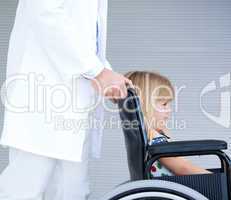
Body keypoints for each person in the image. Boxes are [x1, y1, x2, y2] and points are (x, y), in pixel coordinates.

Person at [0, 0, 132, 199]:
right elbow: (44, 12)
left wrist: (105, 73)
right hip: (43, 100)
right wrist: (97, 71)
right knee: (25, 189)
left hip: (76, 103)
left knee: (73, 190)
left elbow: (86, 36)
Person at [124, 70, 212, 178]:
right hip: (173, 188)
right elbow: (183, 168)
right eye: (164, 104)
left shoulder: (147, 137)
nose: (169, 110)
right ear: (145, 104)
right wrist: (216, 178)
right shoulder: (155, 140)